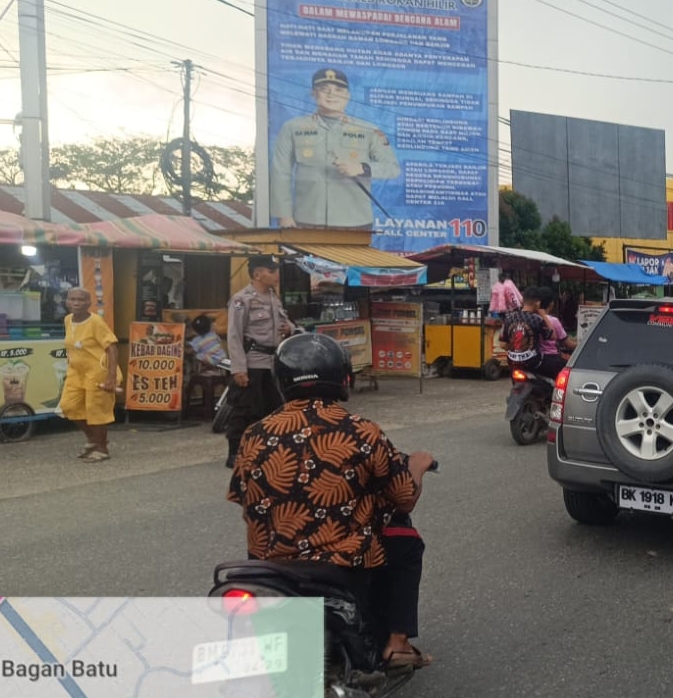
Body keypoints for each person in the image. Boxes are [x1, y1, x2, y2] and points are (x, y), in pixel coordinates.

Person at [226, 334, 438, 670]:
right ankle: (398, 644)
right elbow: (403, 498)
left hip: (269, 566)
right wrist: (418, 467)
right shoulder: (361, 431)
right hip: (342, 564)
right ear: (342, 377)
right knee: (407, 542)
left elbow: (242, 496)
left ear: (282, 381)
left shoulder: (254, 435)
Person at [271, 68, 401, 228]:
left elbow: (392, 168)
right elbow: (280, 173)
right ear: (313, 93)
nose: (331, 95)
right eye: (324, 89)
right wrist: (284, 215)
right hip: (307, 219)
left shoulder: (369, 130)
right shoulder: (292, 128)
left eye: (339, 90)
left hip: (355, 221)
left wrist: (362, 168)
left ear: (348, 95)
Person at [225, 257, 296, 469]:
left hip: (273, 362)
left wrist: (290, 328)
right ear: (257, 274)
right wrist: (239, 368)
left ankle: (267, 451)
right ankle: (235, 452)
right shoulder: (242, 300)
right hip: (253, 362)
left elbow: (285, 322)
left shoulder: (274, 298)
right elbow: (234, 335)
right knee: (245, 409)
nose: (276, 275)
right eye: (271, 271)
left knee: (275, 409)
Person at [59, 288, 121, 462]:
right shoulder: (68, 320)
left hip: (97, 372)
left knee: (96, 410)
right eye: (72, 299)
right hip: (76, 372)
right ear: (67, 302)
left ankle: (102, 449)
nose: (76, 303)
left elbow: (112, 348)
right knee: (69, 406)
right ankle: (94, 440)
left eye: (81, 300)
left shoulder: (96, 322)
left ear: (89, 303)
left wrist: (111, 377)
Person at [501, 287, 558, 377]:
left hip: (512, 362)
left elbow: (503, 345)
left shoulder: (509, 319)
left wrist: (516, 353)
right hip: (533, 362)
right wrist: (543, 315)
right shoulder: (537, 319)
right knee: (561, 366)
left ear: (522, 301)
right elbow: (553, 336)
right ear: (538, 303)